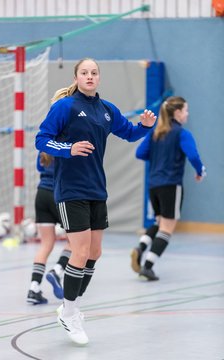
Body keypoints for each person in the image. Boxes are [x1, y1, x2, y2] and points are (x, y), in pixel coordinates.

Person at [35, 57, 156, 345]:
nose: (89, 76)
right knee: (79, 252)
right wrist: (68, 148)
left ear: (99, 78)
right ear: (76, 78)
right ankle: (70, 311)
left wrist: (145, 126)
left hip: (96, 190)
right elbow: (42, 139)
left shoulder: (106, 110)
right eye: (84, 73)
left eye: (94, 73)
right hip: (70, 190)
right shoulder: (64, 107)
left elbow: (130, 134)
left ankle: (70, 305)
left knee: (95, 252)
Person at [131, 96, 206, 281]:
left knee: (158, 223)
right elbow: (193, 155)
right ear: (178, 112)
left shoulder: (155, 132)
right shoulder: (181, 133)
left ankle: (140, 247)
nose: (187, 114)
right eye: (186, 110)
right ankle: (147, 267)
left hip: (154, 185)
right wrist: (200, 170)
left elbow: (140, 153)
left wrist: (159, 158)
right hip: (171, 185)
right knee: (167, 228)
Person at [27, 151, 71, 305]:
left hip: (41, 194)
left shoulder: (44, 146)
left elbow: (41, 167)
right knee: (75, 241)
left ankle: (34, 288)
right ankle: (57, 271)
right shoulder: (68, 144)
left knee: (46, 245)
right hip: (59, 194)